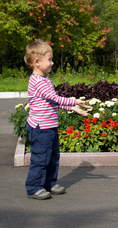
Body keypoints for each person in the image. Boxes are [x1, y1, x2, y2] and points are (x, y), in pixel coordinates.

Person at [24, 39, 92, 200]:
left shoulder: (46, 79)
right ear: (37, 62)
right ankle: (34, 187)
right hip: (40, 128)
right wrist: (74, 101)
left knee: (53, 157)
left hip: (49, 127)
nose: (52, 63)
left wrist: (72, 108)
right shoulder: (37, 81)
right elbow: (54, 97)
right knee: (40, 158)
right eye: (49, 59)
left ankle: (49, 182)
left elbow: (52, 102)